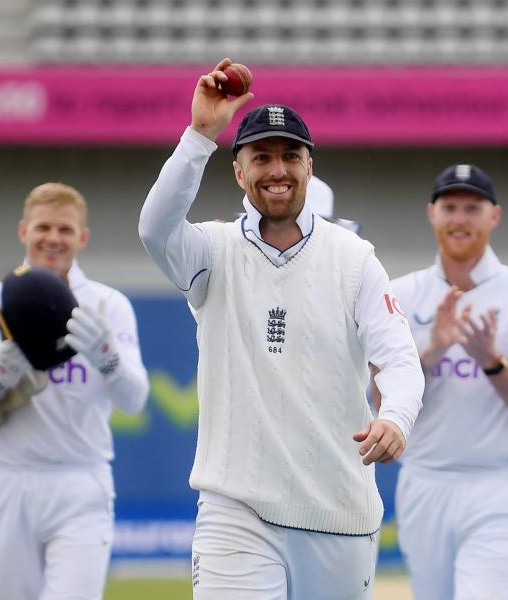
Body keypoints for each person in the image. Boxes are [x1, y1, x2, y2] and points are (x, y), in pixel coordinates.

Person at [139, 58, 424, 599]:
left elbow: (399, 358)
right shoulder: (211, 251)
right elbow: (154, 229)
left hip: (338, 511)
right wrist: (201, 133)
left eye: (291, 156)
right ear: (239, 171)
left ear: (309, 167)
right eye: (261, 157)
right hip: (235, 508)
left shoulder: (354, 257)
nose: (278, 169)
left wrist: (396, 416)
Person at [0, 182, 150, 600]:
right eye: (43, 228)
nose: (53, 239)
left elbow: (135, 399)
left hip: (81, 481)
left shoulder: (108, 305)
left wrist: (107, 357)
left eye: (66, 230)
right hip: (8, 479)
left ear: (82, 237)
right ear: (23, 231)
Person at [376, 164, 508, 599]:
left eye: (472, 208)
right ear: (431, 213)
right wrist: (432, 352)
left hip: (499, 483)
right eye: (450, 207)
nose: (460, 219)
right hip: (424, 480)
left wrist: (491, 361)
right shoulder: (399, 294)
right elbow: (379, 397)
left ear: (494, 215)